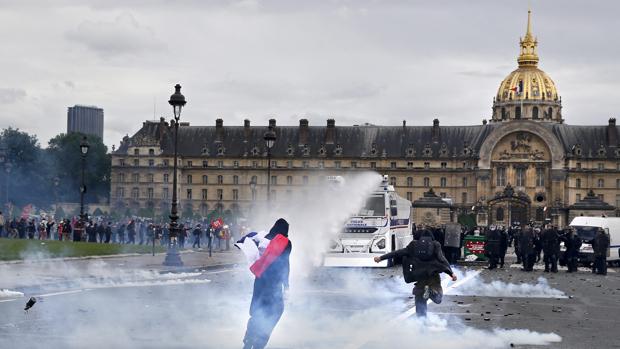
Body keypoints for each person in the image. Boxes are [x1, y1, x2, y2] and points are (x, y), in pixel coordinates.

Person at [374, 229, 457, 317]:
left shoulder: (413, 245)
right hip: (433, 278)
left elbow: (397, 253)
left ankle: (421, 327)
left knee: (420, 310)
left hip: (419, 278)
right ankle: (431, 291)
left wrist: (381, 258)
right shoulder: (435, 245)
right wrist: (451, 273)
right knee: (438, 298)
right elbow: (442, 259)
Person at [243, 218, 291, 349]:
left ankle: (248, 341)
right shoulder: (285, 242)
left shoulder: (263, 240)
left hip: (259, 281)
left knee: (257, 311)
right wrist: (286, 285)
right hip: (273, 284)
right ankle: (259, 344)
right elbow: (285, 264)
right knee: (275, 312)